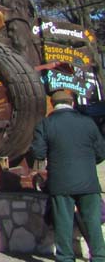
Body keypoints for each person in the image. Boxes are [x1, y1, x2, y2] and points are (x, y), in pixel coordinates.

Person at [32, 89, 105, 262]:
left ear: (53, 105)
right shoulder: (87, 122)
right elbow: (101, 152)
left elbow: (39, 153)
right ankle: (100, 257)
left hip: (61, 182)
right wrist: (86, 163)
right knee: (92, 221)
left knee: (63, 222)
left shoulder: (45, 124)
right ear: (72, 103)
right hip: (88, 181)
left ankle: (65, 258)